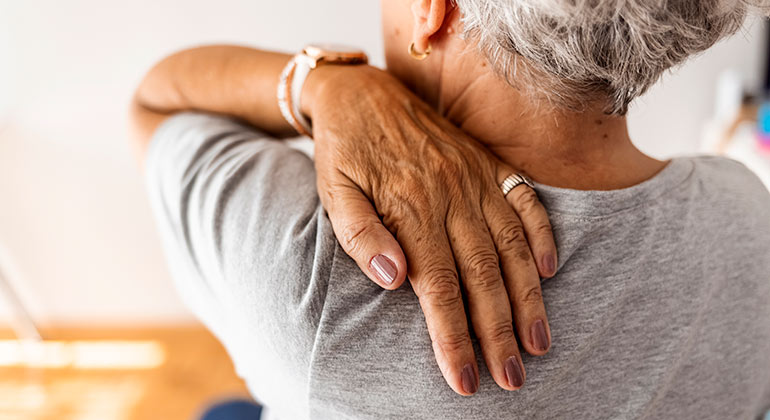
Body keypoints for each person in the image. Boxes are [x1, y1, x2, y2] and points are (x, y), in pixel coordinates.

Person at [131, 0, 770, 418]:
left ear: (432, 10)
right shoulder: (747, 217)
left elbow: (154, 104)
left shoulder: (319, 268)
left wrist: (325, 81)